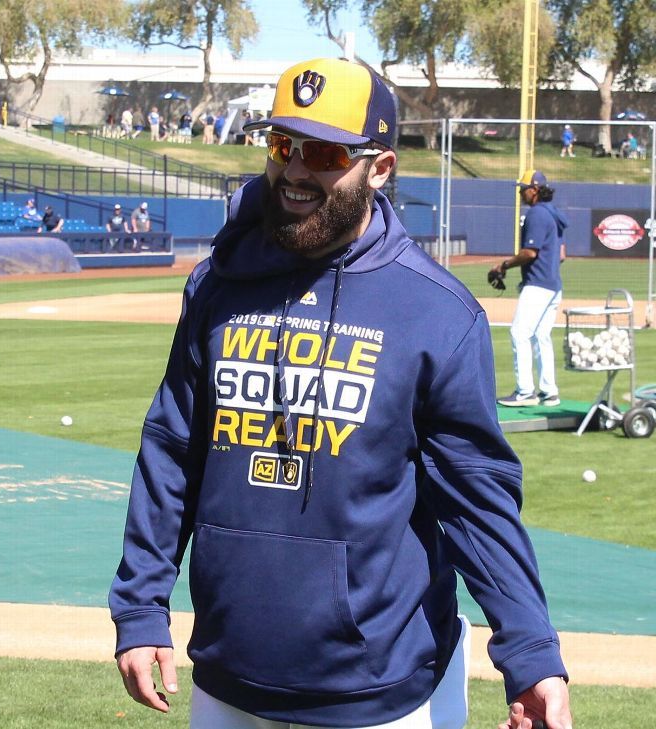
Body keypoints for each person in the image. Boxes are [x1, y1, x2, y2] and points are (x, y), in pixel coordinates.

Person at [111, 57, 571, 729]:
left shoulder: (437, 311)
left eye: (324, 153)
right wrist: (140, 603)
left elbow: (477, 500)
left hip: (378, 692)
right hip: (226, 675)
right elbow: (173, 449)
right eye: (281, 145)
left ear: (378, 167)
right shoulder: (220, 282)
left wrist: (530, 652)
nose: (296, 171)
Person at [491, 170, 567, 408]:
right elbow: (562, 254)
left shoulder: (536, 214)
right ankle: (549, 391)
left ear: (534, 189)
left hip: (538, 285)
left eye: (524, 189)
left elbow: (529, 253)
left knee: (520, 333)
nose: (522, 193)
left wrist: (504, 265)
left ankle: (525, 392)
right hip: (554, 285)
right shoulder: (554, 214)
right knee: (542, 337)